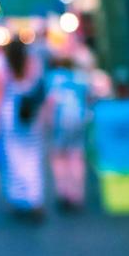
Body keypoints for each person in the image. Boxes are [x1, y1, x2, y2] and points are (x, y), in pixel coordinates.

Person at [0, 38, 48, 218]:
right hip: (30, 113)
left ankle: (19, 197)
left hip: (10, 112)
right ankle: (34, 197)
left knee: (14, 157)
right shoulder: (33, 64)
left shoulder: (3, 68)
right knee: (32, 156)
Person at [46, 54, 90, 211]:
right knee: (77, 156)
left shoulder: (52, 78)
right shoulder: (81, 78)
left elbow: (50, 102)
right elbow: (87, 99)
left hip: (60, 122)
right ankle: (77, 194)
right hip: (79, 120)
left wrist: (48, 123)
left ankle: (63, 192)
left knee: (59, 157)